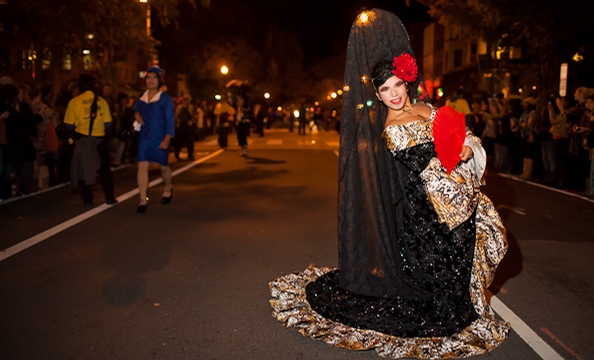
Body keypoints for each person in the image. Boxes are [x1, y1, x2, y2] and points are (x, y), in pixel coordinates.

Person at [269, 9, 509, 359]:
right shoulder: (391, 129)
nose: (394, 94)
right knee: (441, 274)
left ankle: (464, 300)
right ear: (378, 95)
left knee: (468, 256)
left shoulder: (430, 109)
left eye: (397, 85)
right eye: (385, 89)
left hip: (457, 195)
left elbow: (464, 135)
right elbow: (424, 165)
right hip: (429, 210)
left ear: (407, 82)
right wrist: (452, 160)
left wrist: (468, 148)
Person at [64, 74, 117, 205]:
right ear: (94, 85)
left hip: (82, 140)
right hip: (99, 140)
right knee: (105, 169)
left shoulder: (74, 102)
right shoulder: (101, 101)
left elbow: (69, 125)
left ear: (79, 86)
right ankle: (109, 197)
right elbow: (108, 124)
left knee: (83, 168)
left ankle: (87, 198)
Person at [133, 66, 175, 213]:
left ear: (159, 81)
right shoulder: (141, 98)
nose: (151, 80)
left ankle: (168, 187)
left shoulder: (165, 99)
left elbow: (170, 120)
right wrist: (138, 117)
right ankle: (143, 199)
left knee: (163, 166)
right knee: (142, 165)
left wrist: (167, 138)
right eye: (148, 78)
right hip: (145, 136)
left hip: (161, 137)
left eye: (154, 78)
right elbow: (136, 111)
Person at [174, 95, 195, 161]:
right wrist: (178, 121)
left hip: (187, 124)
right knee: (180, 140)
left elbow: (192, 115)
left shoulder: (190, 107)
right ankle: (177, 154)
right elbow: (176, 115)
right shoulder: (180, 107)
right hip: (182, 124)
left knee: (189, 140)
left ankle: (190, 154)